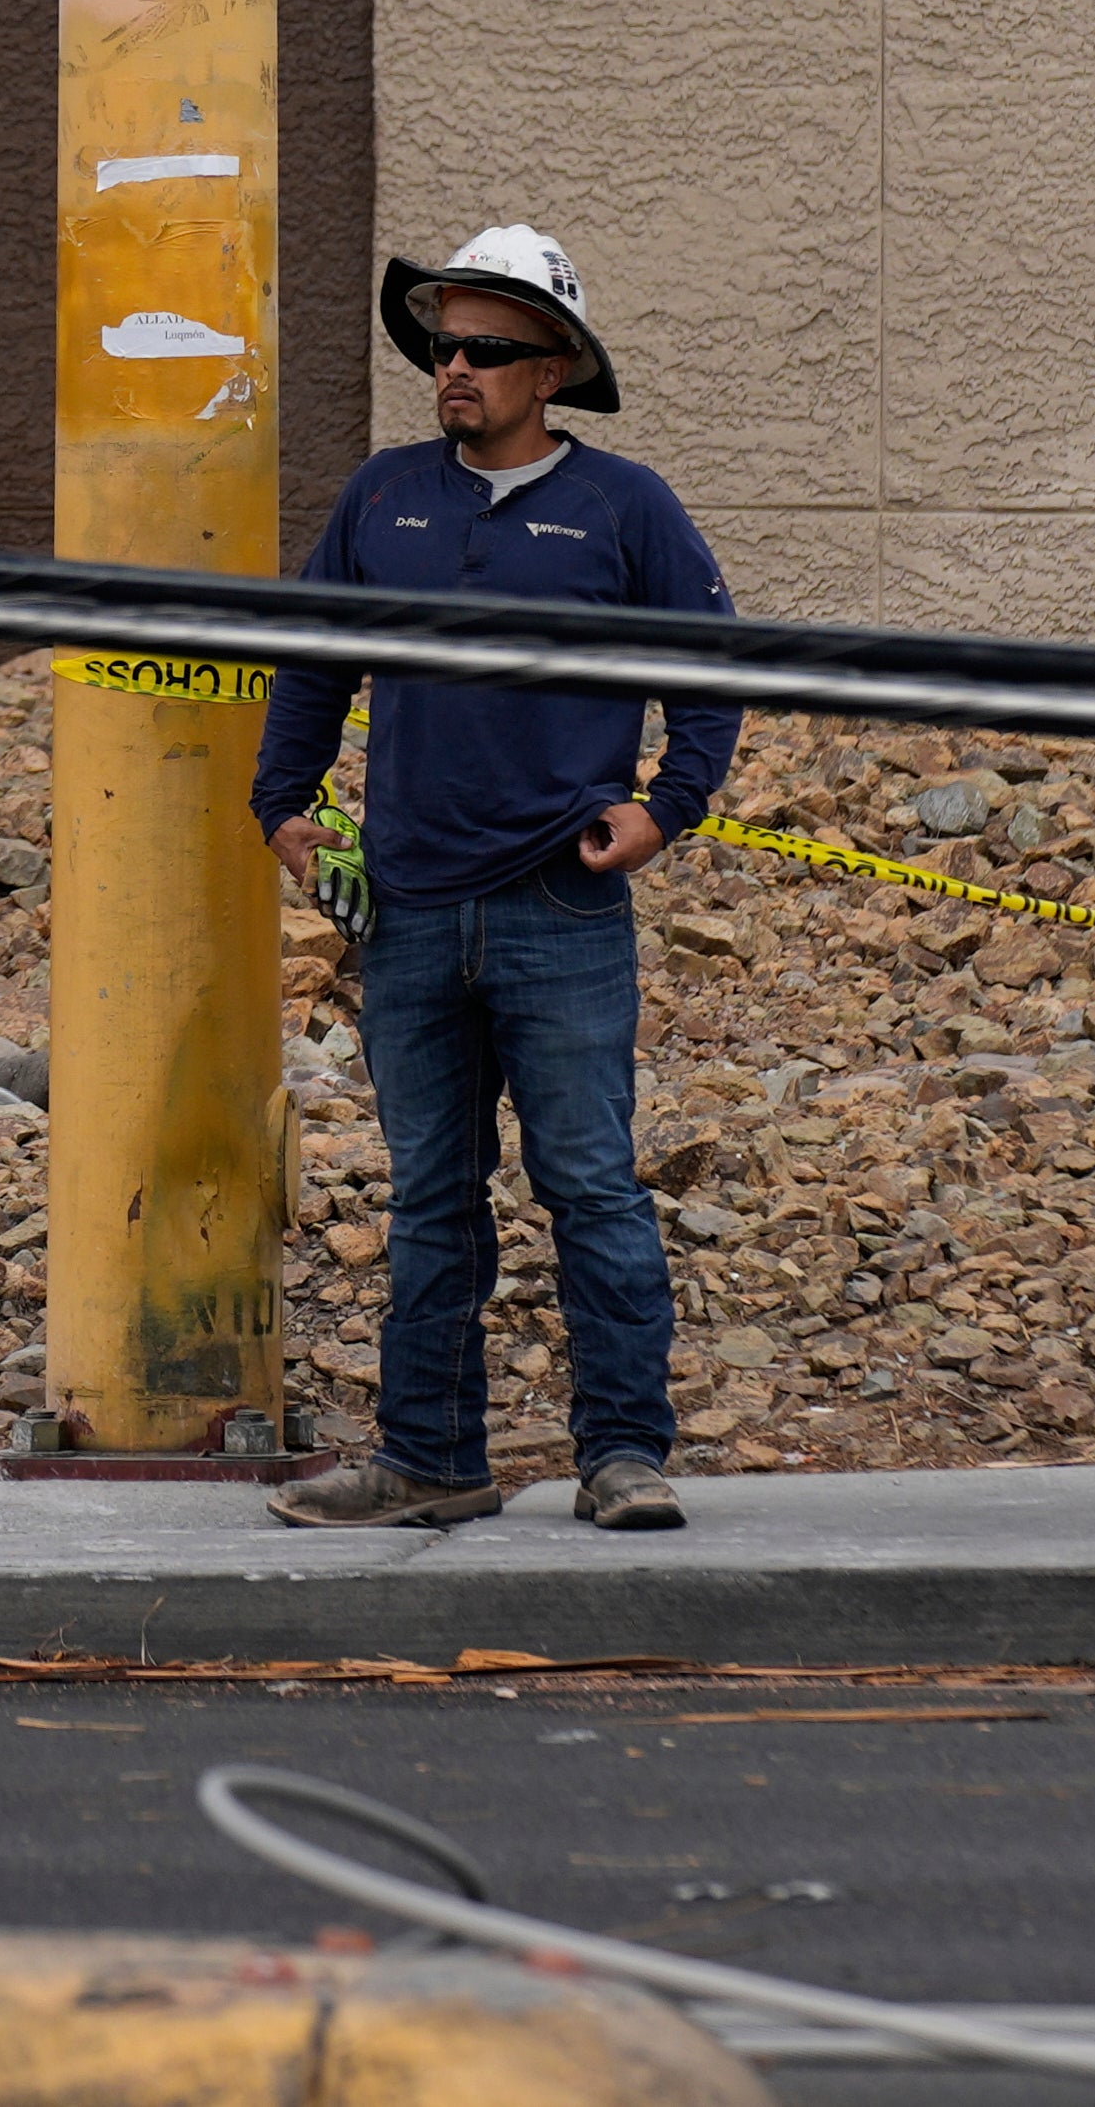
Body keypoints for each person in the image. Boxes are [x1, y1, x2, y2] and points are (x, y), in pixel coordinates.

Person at [250, 224, 735, 1534]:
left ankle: (624, 1457)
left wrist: (665, 810)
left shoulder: (624, 507)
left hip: (559, 906)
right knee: (431, 1193)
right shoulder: (380, 498)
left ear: (553, 366)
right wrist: (279, 809)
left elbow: (715, 665)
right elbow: (310, 661)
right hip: (406, 907)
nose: (451, 367)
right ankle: (429, 1462)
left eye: (485, 348)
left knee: (585, 1182)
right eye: (440, 345)